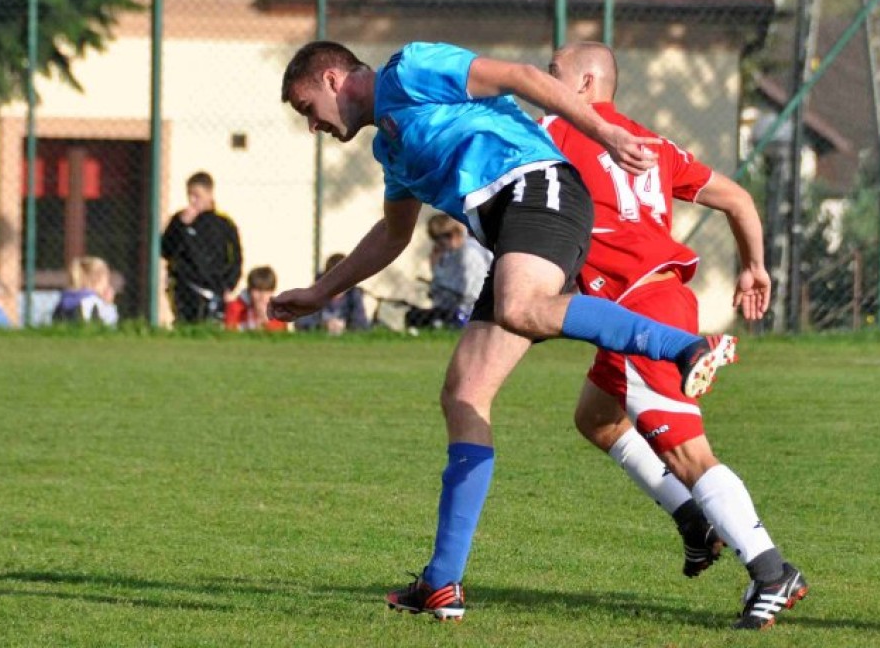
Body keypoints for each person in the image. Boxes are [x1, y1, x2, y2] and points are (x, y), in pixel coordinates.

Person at [271, 40, 738, 621]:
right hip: (514, 222)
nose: (311, 124)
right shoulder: (390, 147)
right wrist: (321, 293)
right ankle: (441, 583)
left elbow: (518, 76)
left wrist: (606, 134)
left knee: (521, 307)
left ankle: (685, 346)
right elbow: (392, 236)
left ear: (333, 79)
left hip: (539, 187)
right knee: (464, 394)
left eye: (306, 107)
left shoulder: (409, 69)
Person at [546, 41, 806, 630]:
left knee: (689, 453)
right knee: (597, 418)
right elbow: (737, 198)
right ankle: (695, 521)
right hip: (655, 301)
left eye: (553, 73)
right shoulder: (654, 145)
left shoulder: (556, 131)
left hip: (639, 310)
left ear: (585, 84)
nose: (543, 83)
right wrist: (753, 266)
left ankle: (770, 570)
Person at [160, 171, 243, 325]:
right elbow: (166, 250)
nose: (192, 200)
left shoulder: (224, 224)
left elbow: (236, 258)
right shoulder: (179, 220)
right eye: (189, 195)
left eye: (197, 195)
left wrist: (229, 285)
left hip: (215, 287)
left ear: (209, 194)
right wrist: (181, 226)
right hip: (185, 286)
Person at [405, 213, 492, 330]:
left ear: (452, 235)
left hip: (469, 311)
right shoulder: (450, 255)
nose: (438, 246)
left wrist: (438, 281)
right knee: (413, 315)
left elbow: (471, 292)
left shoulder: (469, 253)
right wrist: (435, 266)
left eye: (440, 241)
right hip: (453, 308)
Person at [295, 253, 371, 334]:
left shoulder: (353, 294)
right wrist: (324, 325)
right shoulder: (315, 293)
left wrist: (345, 326)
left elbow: (362, 324)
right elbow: (301, 322)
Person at [51, 256, 119, 326]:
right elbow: (108, 326)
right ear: (97, 280)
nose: (108, 285)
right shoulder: (93, 301)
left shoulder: (64, 298)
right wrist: (108, 305)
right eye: (107, 280)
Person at [224, 266, 288, 332]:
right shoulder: (236, 307)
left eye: (267, 291)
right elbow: (229, 331)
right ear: (250, 290)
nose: (262, 296)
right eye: (258, 290)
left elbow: (280, 335)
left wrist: (266, 321)